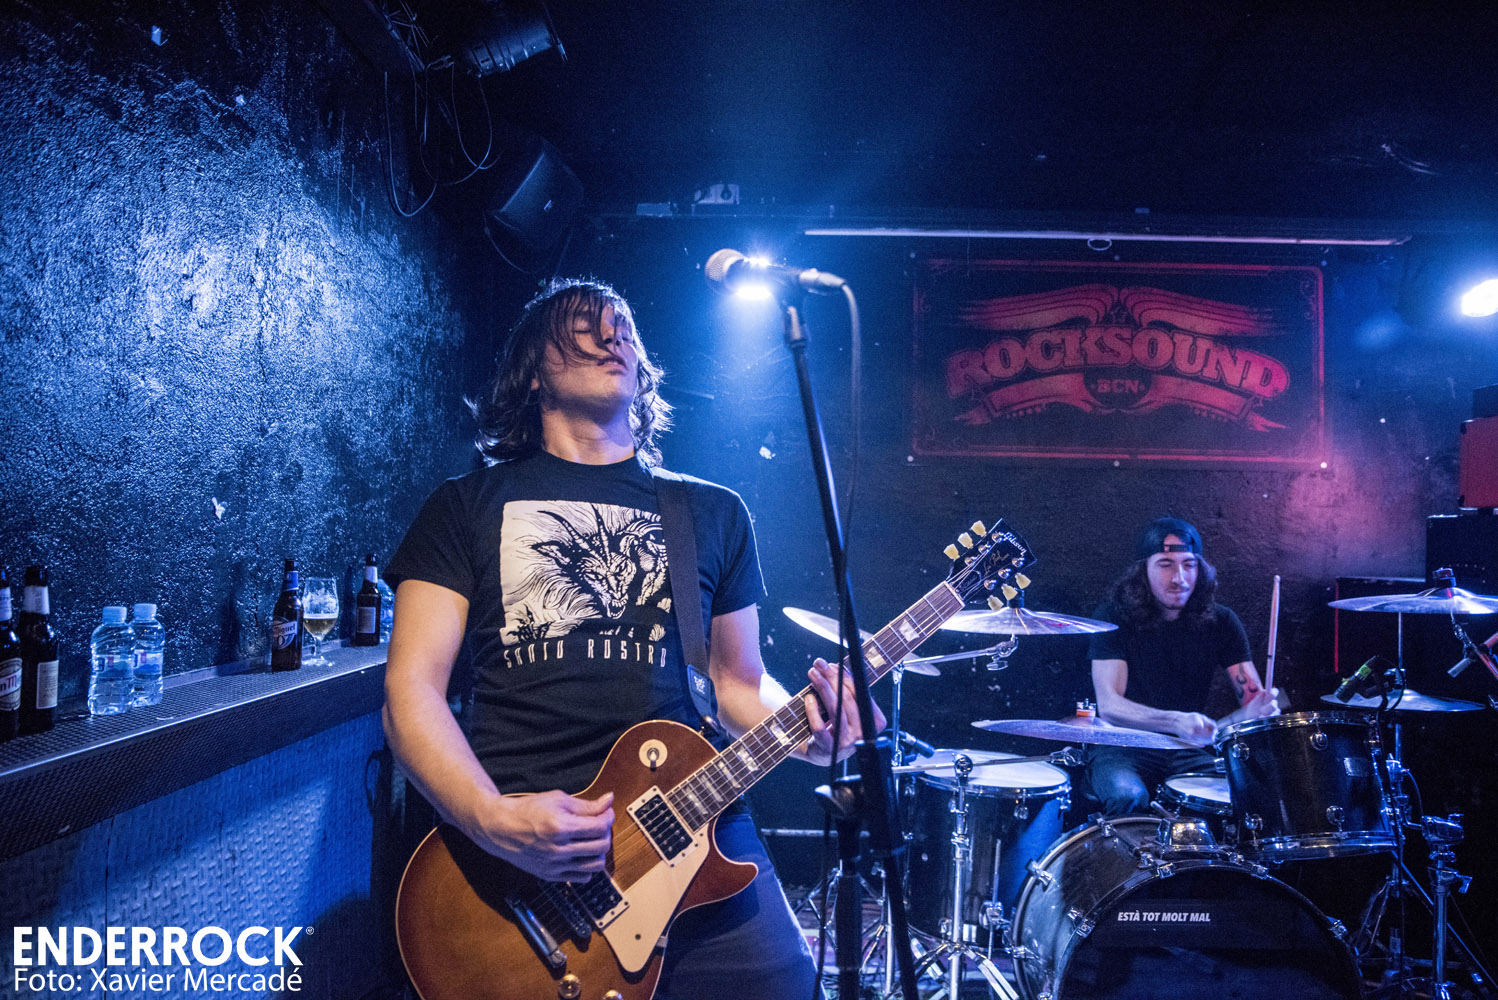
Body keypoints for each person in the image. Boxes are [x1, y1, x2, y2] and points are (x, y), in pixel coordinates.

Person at [382, 278, 881, 999]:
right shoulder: (465, 505)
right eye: (584, 325)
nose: (612, 335)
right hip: (521, 864)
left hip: (696, 824)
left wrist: (815, 733)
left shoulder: (711, 512)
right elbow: (411, 690)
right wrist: (493, 819)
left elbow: (737, 684)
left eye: (623, 328)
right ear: (532, 370)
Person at [1086, 516, 1279, 815]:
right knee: (1128, 795)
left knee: (1241, 795)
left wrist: (1258, 711)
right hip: (1122, 748)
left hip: (1188, 750)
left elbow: (1252, 701)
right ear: (1142, 570)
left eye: (1189, 565)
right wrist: (1176, 722)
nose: (1179, 578)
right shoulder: (1114, 617)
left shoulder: (1222, 622)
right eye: (1165, 565)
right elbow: (1110, 706)